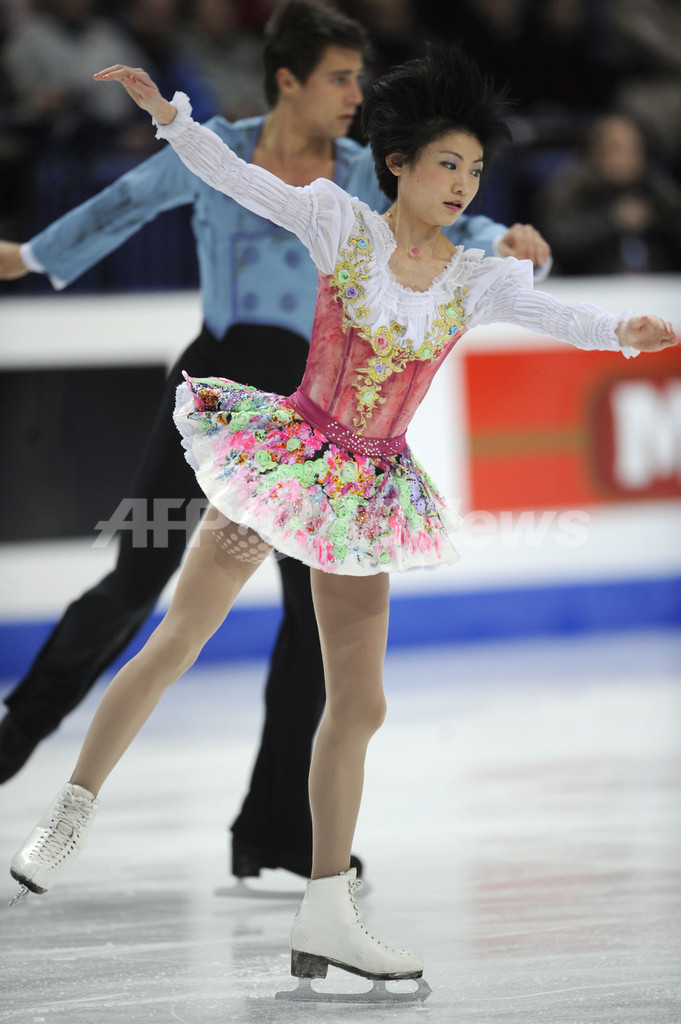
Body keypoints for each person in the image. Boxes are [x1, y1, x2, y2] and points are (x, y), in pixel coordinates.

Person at [9, 44, 675, 995]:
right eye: (446, 163)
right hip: (287, 461)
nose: (462, 183)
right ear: (397, 164)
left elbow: (561, 317)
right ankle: (70, 812)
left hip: (366, 494)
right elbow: (236, 178)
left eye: (475, 168)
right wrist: (170, 116)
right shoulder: (339, 221)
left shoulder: (476, 276)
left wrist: (622, 334)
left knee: (360, 704)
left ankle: (324, 909)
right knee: (177, 638)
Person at [0, 0, 552, 888]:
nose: (354, 94)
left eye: (358, 78)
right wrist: (27, 257)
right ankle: (17, 744)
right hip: (220, 396)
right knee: (138, 579)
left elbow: (444, 226)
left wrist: (514, 246)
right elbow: (124, 203)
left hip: (314, 429)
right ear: (287, 81)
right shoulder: (230, 149)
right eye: (338, 77)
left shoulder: (364, 175)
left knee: (311, 629)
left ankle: (277, 830)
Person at [535, 113, 681, 275]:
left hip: (659, 283)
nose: (627, 158)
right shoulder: (572, 189)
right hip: (592, 285)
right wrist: (611, 220)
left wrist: (659, 217)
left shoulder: (656, 187)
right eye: (617, 148)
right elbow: (558, 242)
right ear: (595, 151)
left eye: (633, 149)